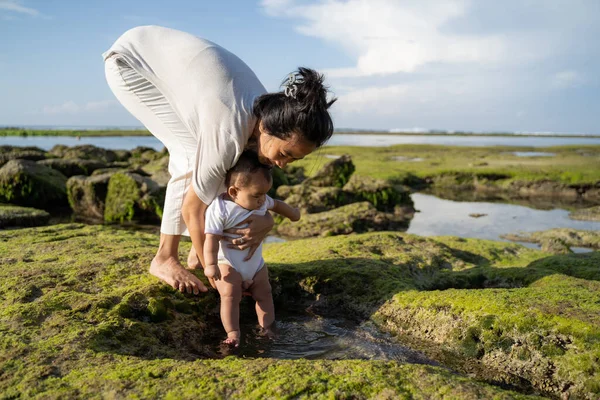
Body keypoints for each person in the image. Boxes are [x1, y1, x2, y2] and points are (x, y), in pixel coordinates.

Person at [103, 25, 335, 295]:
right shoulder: (230, 127)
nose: (282, 165)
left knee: (217, 163)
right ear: (266, 129)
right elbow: (193, 207)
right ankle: (165, 258)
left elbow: (239, 182)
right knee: (190, 157)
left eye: (294, 160)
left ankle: (193, 252)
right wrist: (213, 270)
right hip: (130, 61)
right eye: (284, 154)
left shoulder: (269, 112)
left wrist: (266, 221)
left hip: (171, 65)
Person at [204, 150, 300, 346]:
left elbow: (278, 204)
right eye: (257, 195)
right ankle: (233, 332)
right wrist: (211, 264)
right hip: (228, 263)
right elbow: (211, 238)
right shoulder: (221, 208)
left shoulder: (260, 202)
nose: (262, 199)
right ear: (234, 192)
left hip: (256, 266)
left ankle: (268, 327)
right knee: (230, 295)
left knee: (265, 293)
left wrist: (294, 214)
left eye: (265, 194)